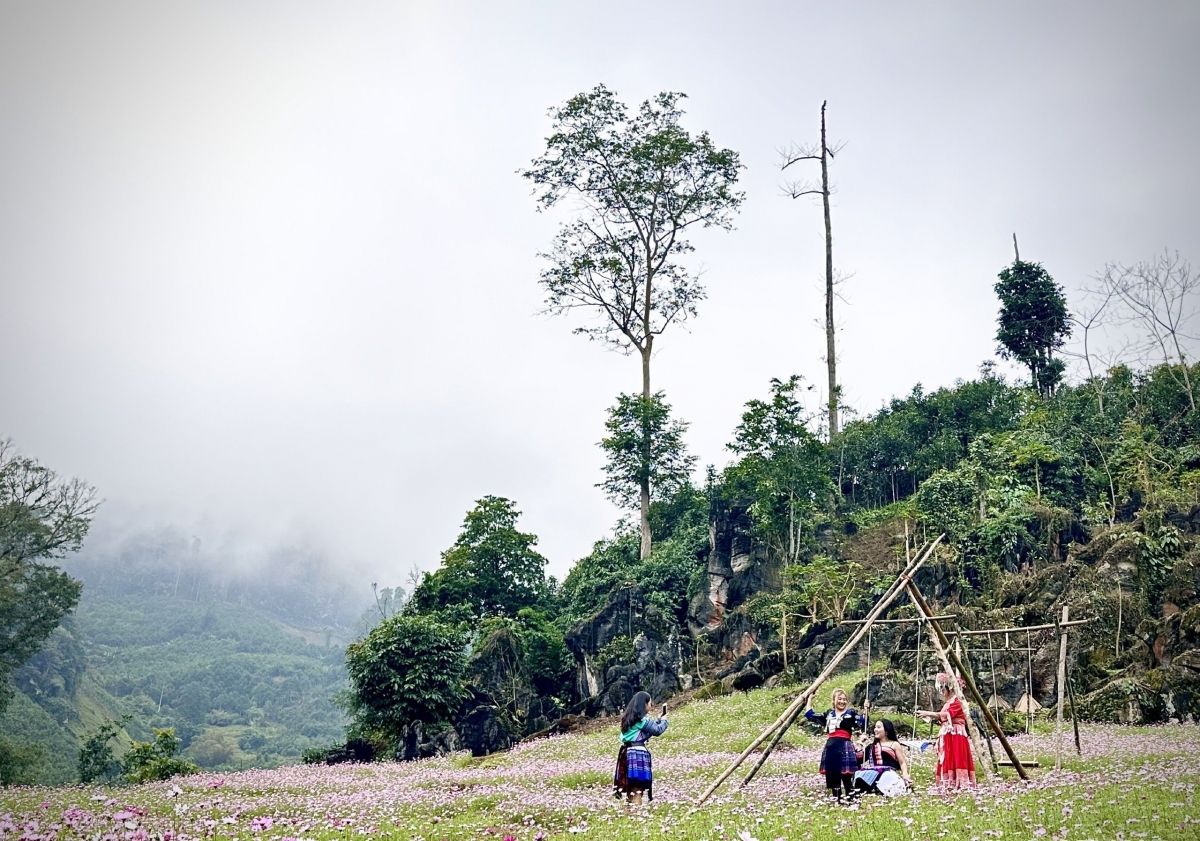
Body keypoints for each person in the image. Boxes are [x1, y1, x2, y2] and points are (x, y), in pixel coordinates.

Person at [917, 672, 976, 790]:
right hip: (948, 733)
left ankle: (959, 782)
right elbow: (943, 717)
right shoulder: (949, 702)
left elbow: (946, 715)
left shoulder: (958, 701)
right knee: (948, 756)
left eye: (943, 687)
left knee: (957, 757)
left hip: (956, 734)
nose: (941, 690)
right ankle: (949, 782)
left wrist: (928, 713)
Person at [805, 688, 868, 801]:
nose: (842, 701)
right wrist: (809, 699)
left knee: (846, 775)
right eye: (839, 699)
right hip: (831, 746)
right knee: (833, 775)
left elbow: (863, 722)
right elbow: (810, 715)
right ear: (834, 701)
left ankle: (851, 799)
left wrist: (866, 708)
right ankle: (836, 800)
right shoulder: (829, 714)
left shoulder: (850, 714)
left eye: (844, 699)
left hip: (845, 745)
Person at [613, 691, 668, 804]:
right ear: (644, 704)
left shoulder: (629, 720)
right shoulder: (641, 720)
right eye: (650, 703)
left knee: (630, 790)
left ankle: (629, 815)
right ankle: (636, 816)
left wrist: (658, 720)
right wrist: (665, 721)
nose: (650, 706)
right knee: (638, 789)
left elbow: (646, 732)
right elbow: (657, 730)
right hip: (637, 755)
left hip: (626, 754)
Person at [852, 718, 911, 796]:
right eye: (875, 727)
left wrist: (905, 774)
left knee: (886, 777)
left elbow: (902, 762)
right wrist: (860, 742)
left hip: (888, 773)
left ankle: (877, 788)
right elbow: (859, 759)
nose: (875, 729)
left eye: (879, 727)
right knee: (859, 774)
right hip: (872, 772)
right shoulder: (872, 746)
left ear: (886, 730)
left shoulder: (894, 744)